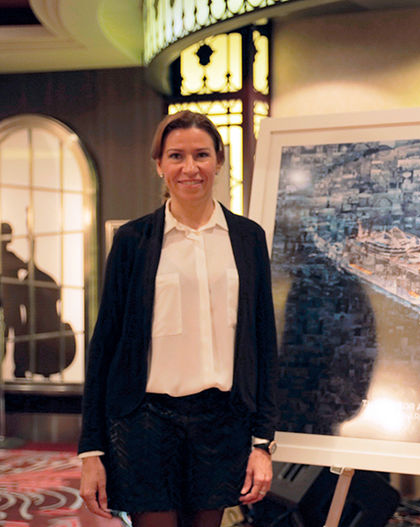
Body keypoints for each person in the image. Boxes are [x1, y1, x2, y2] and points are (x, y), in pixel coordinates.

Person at [78, 110, 279, 527]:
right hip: (144, 421)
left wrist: (263, 442)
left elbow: (263, 343)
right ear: (159, 165)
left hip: (223, 423)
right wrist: (91, 450)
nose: (190, 168)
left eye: (201, 155)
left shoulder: (248, 238)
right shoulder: (132, 240)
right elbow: (105, 345)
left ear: (219, 161)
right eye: (176, 156)